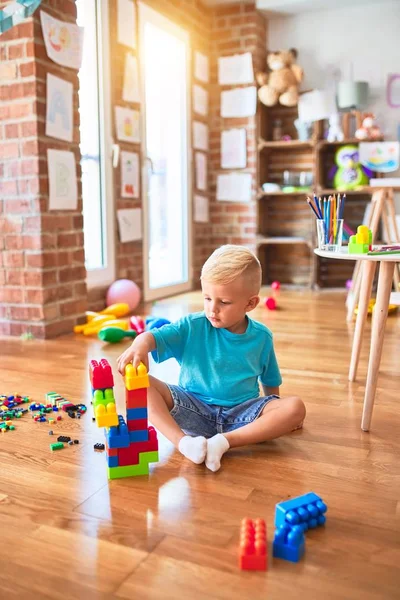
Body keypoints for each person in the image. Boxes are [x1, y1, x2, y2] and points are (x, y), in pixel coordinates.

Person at [117, 245, 305, 472]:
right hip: (192, 408)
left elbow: (270, 381)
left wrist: (276, 413)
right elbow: (154, 336)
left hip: (242, 414)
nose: (212, 309)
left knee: (295, 407)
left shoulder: (262, 337)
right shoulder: (191, 325)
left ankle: (223, 443)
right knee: (139, 384)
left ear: (251, 304)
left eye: (223, 302)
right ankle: (184, 444)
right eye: (207, 298)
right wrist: (140, 344)